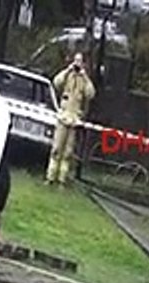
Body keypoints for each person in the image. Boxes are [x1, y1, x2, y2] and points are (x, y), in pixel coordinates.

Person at [47, 53, 97, 186]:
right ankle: (50, 177)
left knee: (68, 152)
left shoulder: (84, 79)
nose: (77, 64)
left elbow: (90, 94)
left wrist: (84, 76)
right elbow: (56, 83)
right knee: (56, 148)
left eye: (80, 61)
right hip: (63, 116)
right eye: (76, 61)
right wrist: (67, 70)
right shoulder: (67, 75)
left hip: (74, 119)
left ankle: (62, 180)